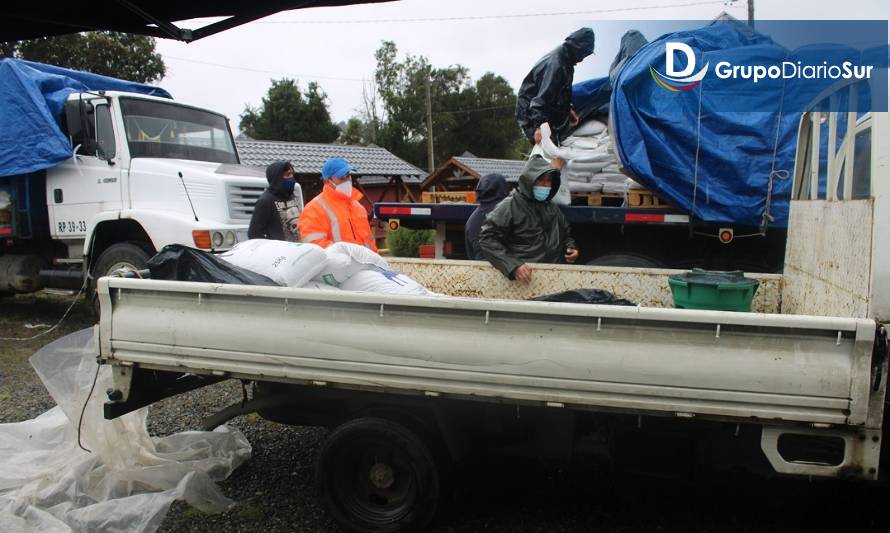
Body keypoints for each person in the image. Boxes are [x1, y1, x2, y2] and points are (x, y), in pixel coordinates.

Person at [479, 155, 578, 283]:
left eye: (548, 181)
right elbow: (487, 238)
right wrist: (513, 265)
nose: (545, 185)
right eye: (541, 180)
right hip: (524, 281)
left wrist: (571, 248)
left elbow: (565, 234)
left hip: (552, 278)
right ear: (529, 180)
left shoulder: (552, 208)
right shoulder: (510, 205)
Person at [516, 27, 595, 146]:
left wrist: (569, 110)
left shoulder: (567, 62)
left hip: (543, 112)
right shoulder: (556, 64)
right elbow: (539, 101)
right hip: (531, 114)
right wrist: (538, 127)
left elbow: (562, 92)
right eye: (583, 53)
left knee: (553, 149)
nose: (583, 58)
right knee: (546, 151)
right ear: (577, 48)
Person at [299, 157, 377, 251]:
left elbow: (369, 241)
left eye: (348, 175)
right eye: (341, 177)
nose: (347, 180)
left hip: (365, 264)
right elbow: (314, 245)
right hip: (337, 265)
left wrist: (376, 261)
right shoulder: (313, 209)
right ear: (327, 181)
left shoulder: (359, 207)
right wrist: (349, 256)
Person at [248, 160, 302, 242]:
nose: (291, 178)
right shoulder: (265, 201)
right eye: (287, 175)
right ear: (277, 178)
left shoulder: (292, 196)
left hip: (296, 249)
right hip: (278, 252)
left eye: (292, 174)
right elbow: (254, 233)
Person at [464, 173, 510, 260]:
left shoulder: (472, 219)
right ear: (503, 189)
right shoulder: (506, 212)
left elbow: (470, 252)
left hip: (480, 269)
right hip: (507, 269)